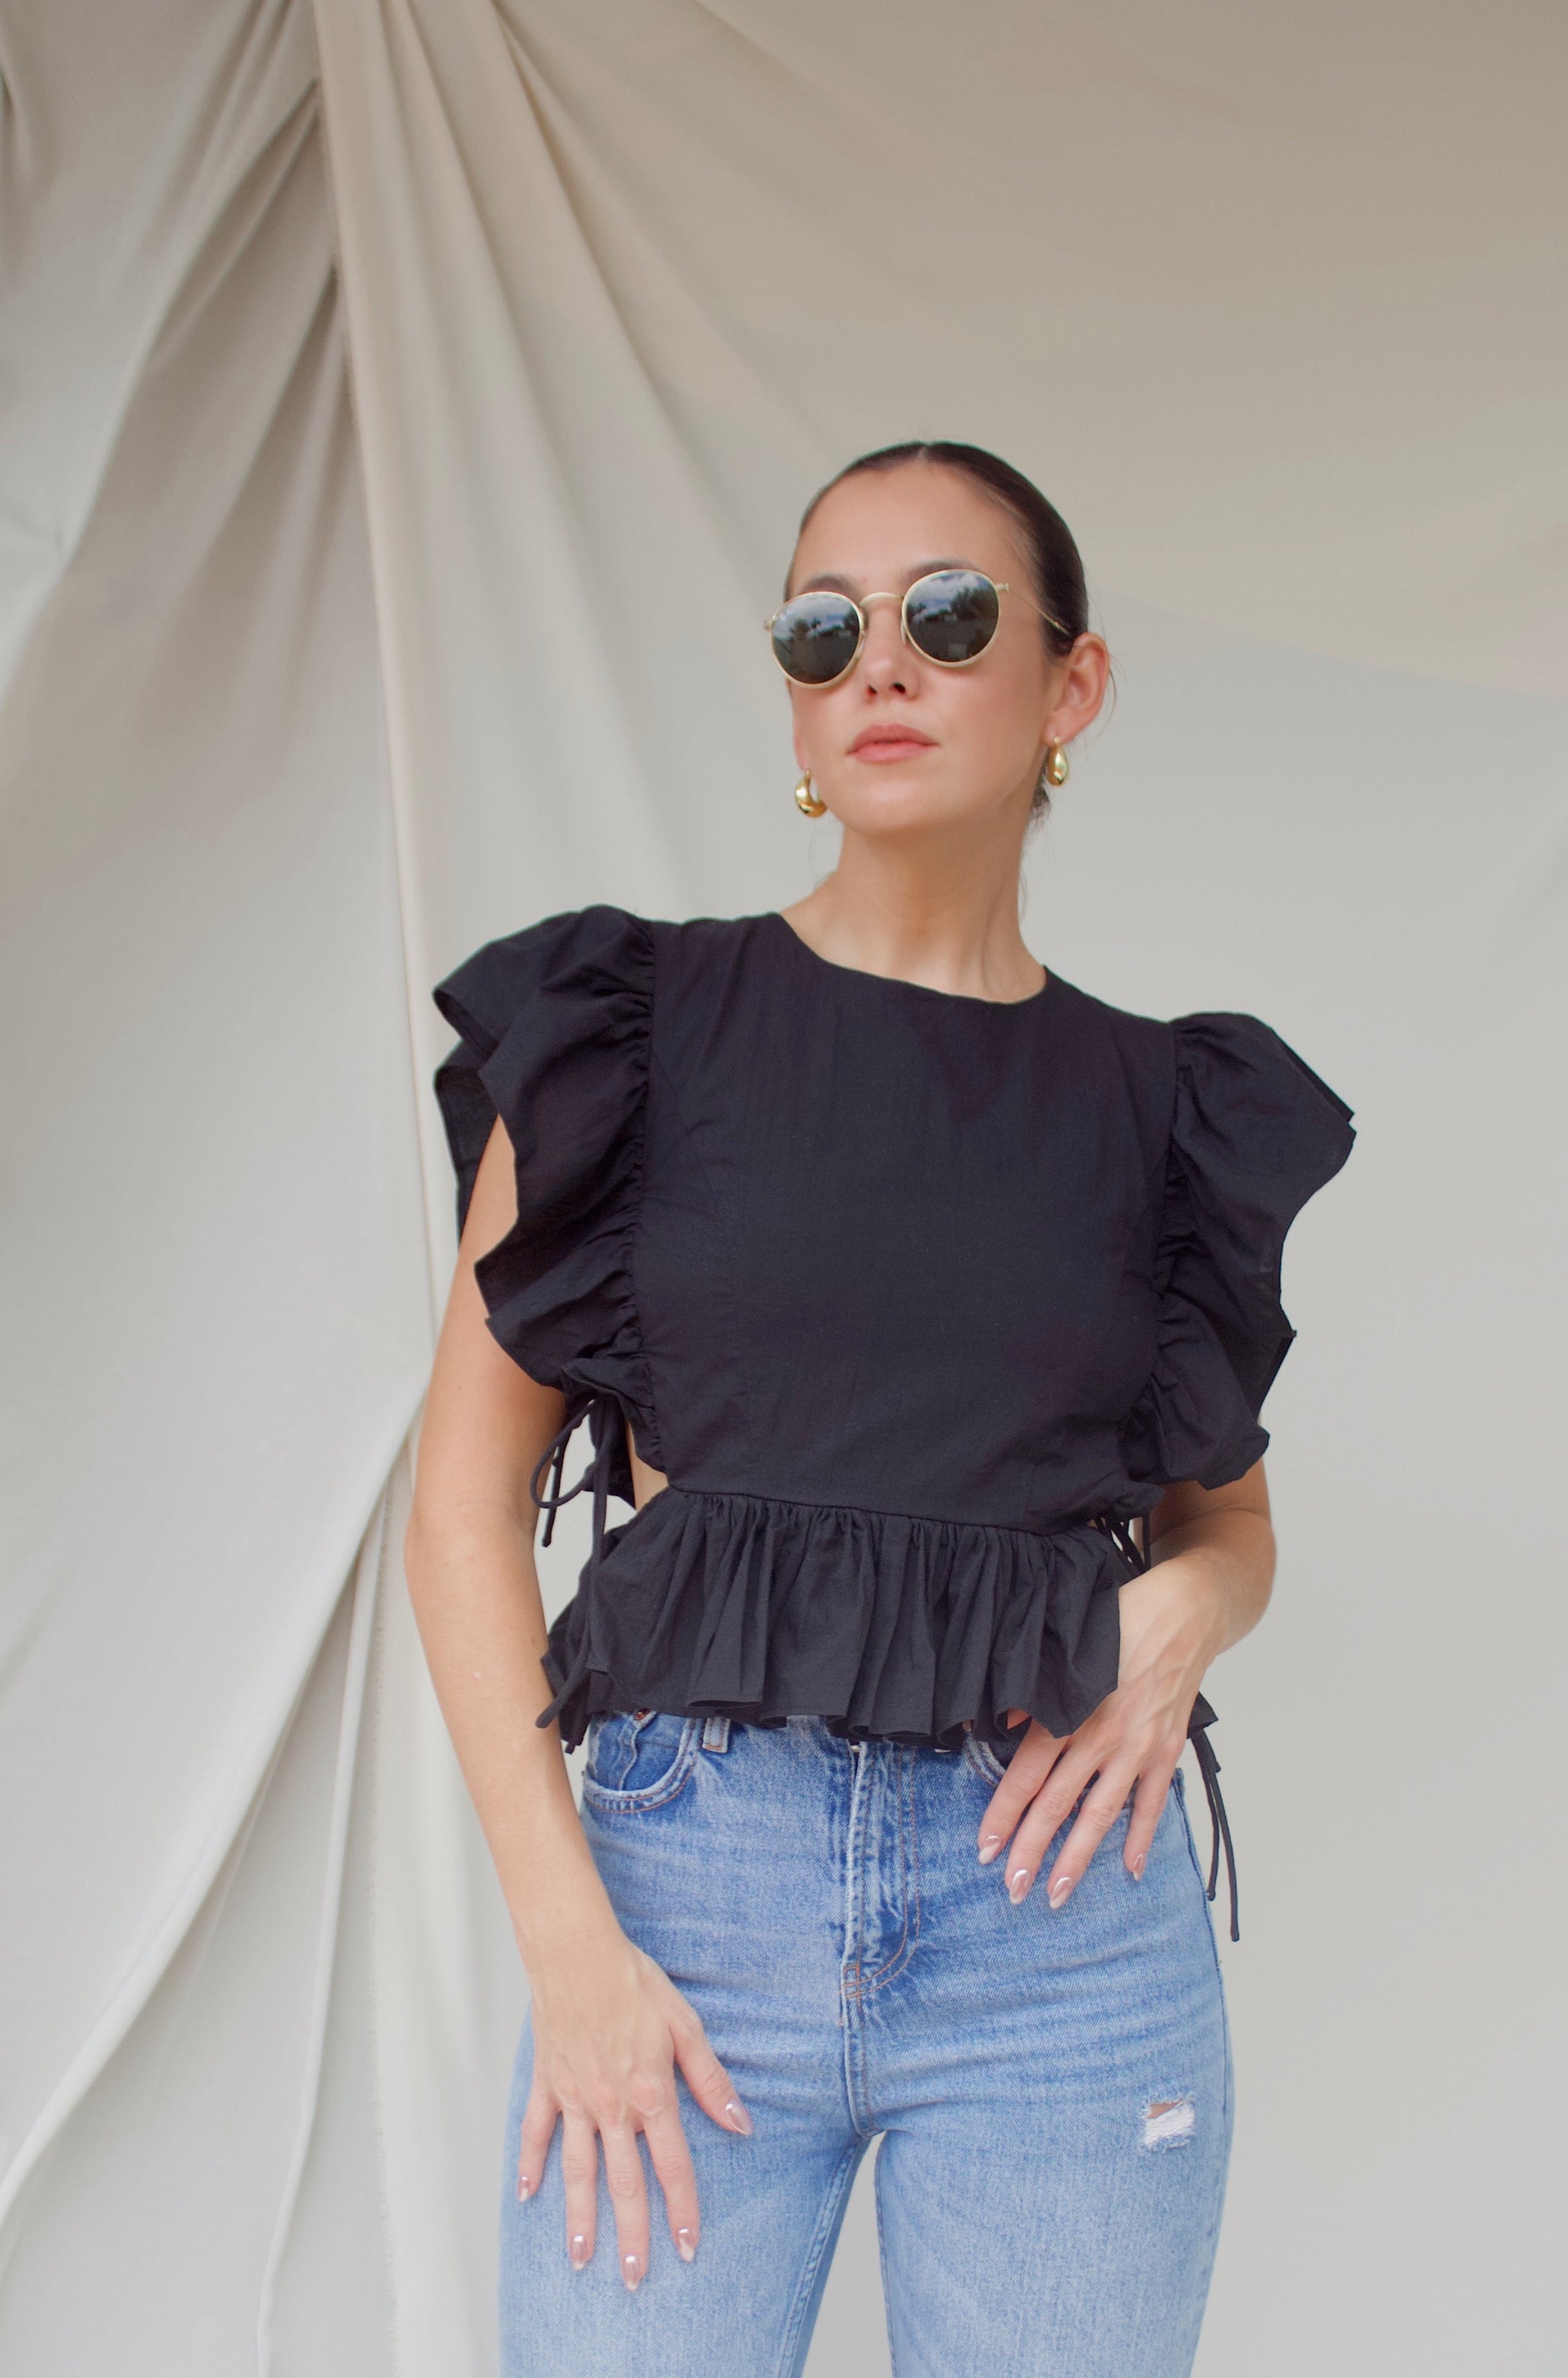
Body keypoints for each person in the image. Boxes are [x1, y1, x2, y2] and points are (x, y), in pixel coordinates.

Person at [405, 440, 1355, 2378]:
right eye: (824, 629)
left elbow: (1227, 1528)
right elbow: (460, 1508)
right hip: (687, 1897)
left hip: (1061, 1927)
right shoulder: (627, 1031)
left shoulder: (1167, 1115)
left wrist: (1184, 1613)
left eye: (947, 615)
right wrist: (570, 1947)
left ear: (1071, 685)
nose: (882, 667)